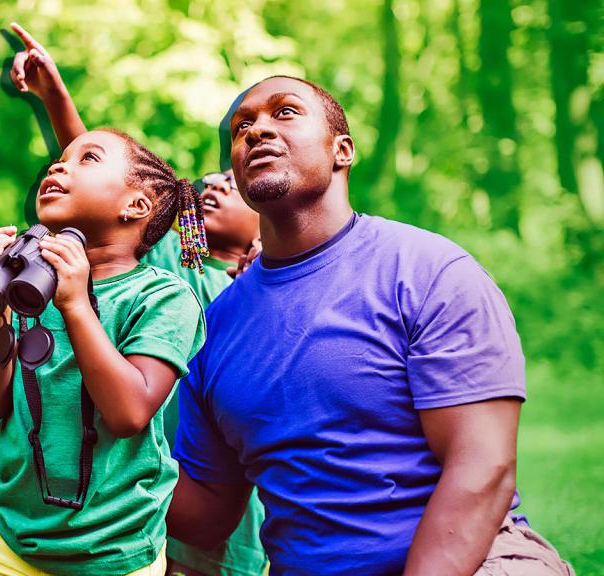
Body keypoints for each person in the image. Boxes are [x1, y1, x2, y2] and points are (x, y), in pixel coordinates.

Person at [166, 75, 574, 576]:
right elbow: (207, 514)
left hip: (478, 559)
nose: (256, 131)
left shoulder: (427, 271)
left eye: (285, 112)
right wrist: (95, 450)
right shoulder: (214, 328)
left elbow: (482, 469)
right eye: (241, 126)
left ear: (342, 150)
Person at [8, 23, 266, 576]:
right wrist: (56, 100)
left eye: (235, 185)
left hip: (224, 477)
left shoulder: (261, 287)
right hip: (147, 469)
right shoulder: (180, 261)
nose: (217, 184)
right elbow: (108, 191)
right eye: (211, 180)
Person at [0, 127, 208, 575]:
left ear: (135, 205)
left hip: (115, 547)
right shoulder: (27, 288)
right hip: (17, 539)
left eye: (88, 158)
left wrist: (76, 304)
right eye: (61, 158)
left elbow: (128, 413)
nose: (59, 165)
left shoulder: (163, 298)